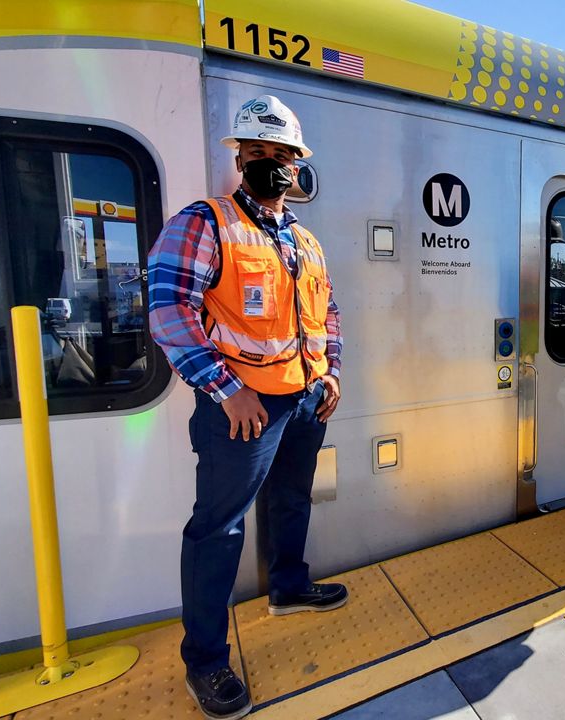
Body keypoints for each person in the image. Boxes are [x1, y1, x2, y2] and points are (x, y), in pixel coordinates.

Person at [147, 94, 345, 720]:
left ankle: (287, 587)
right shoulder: (204, 223)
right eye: (257, 152)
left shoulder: (307, 242)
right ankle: (204, 661)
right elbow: (167, 308)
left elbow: (327, 314)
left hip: (305, 398)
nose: (272, 163)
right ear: (239, 158)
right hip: (243, 407)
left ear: (297, 162)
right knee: (218, 528)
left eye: (282, 153)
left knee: (291, 499)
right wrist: (227, 389)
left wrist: (330, 372)